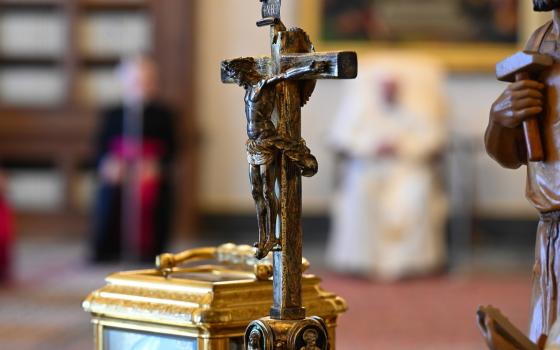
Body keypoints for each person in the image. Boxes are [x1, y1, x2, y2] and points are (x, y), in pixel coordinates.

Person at [326, 54, 447, 280]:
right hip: (368, 165)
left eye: (394, 87)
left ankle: (410, 262)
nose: (389, 92)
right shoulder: (361, 109)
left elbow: (432, 139)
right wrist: (373, 146)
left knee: (416, 192)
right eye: (386, 87)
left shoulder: (416, 109)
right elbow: (342, 138)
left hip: (407, 168)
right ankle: (362, 261)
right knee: (361, 189)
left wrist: (403, 147)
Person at [485, 0, 560, 342]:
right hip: (552, 237)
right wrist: (501, 119)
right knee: (547, 333)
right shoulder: (542, 39)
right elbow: (512, 156)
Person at [91, 55, 176, 263]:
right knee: (109, 193)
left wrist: (156, 165)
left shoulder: (163, 114)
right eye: (135, 82)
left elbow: (173, 148)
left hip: (149, 171)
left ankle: (151, 251)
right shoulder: (113, 113)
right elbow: (100, 147)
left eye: (145, 81)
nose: (140, 86)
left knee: (157, 194)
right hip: (120, 170)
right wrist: (108, 163)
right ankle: (108, 249)